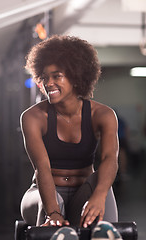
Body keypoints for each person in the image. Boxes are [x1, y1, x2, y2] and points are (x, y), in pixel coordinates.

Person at [20, 35, 119, 228]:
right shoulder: (33, 117)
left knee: (102, 220)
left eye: (57, 76)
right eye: (44, 77)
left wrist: (99, 196)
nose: (48, 83)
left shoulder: (103, 115)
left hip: (84, 189)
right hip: (43, 192)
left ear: (75, 77)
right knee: (51, 220)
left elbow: (109, 159)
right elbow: (42, 168)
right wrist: (53, 212)